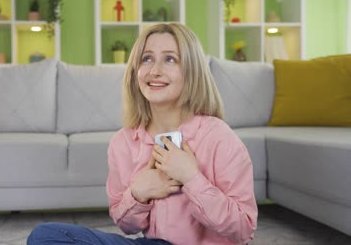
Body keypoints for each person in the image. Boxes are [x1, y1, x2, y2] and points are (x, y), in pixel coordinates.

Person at [27, 23, 257, 245]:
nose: (155, 71)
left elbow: (244, 229)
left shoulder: (218, 136)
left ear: (192, 71)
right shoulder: (123, 143)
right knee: (45, 236)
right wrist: (138, 193)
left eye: (170, 59)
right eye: (147, 58)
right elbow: (127, 226)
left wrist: (192, 178)